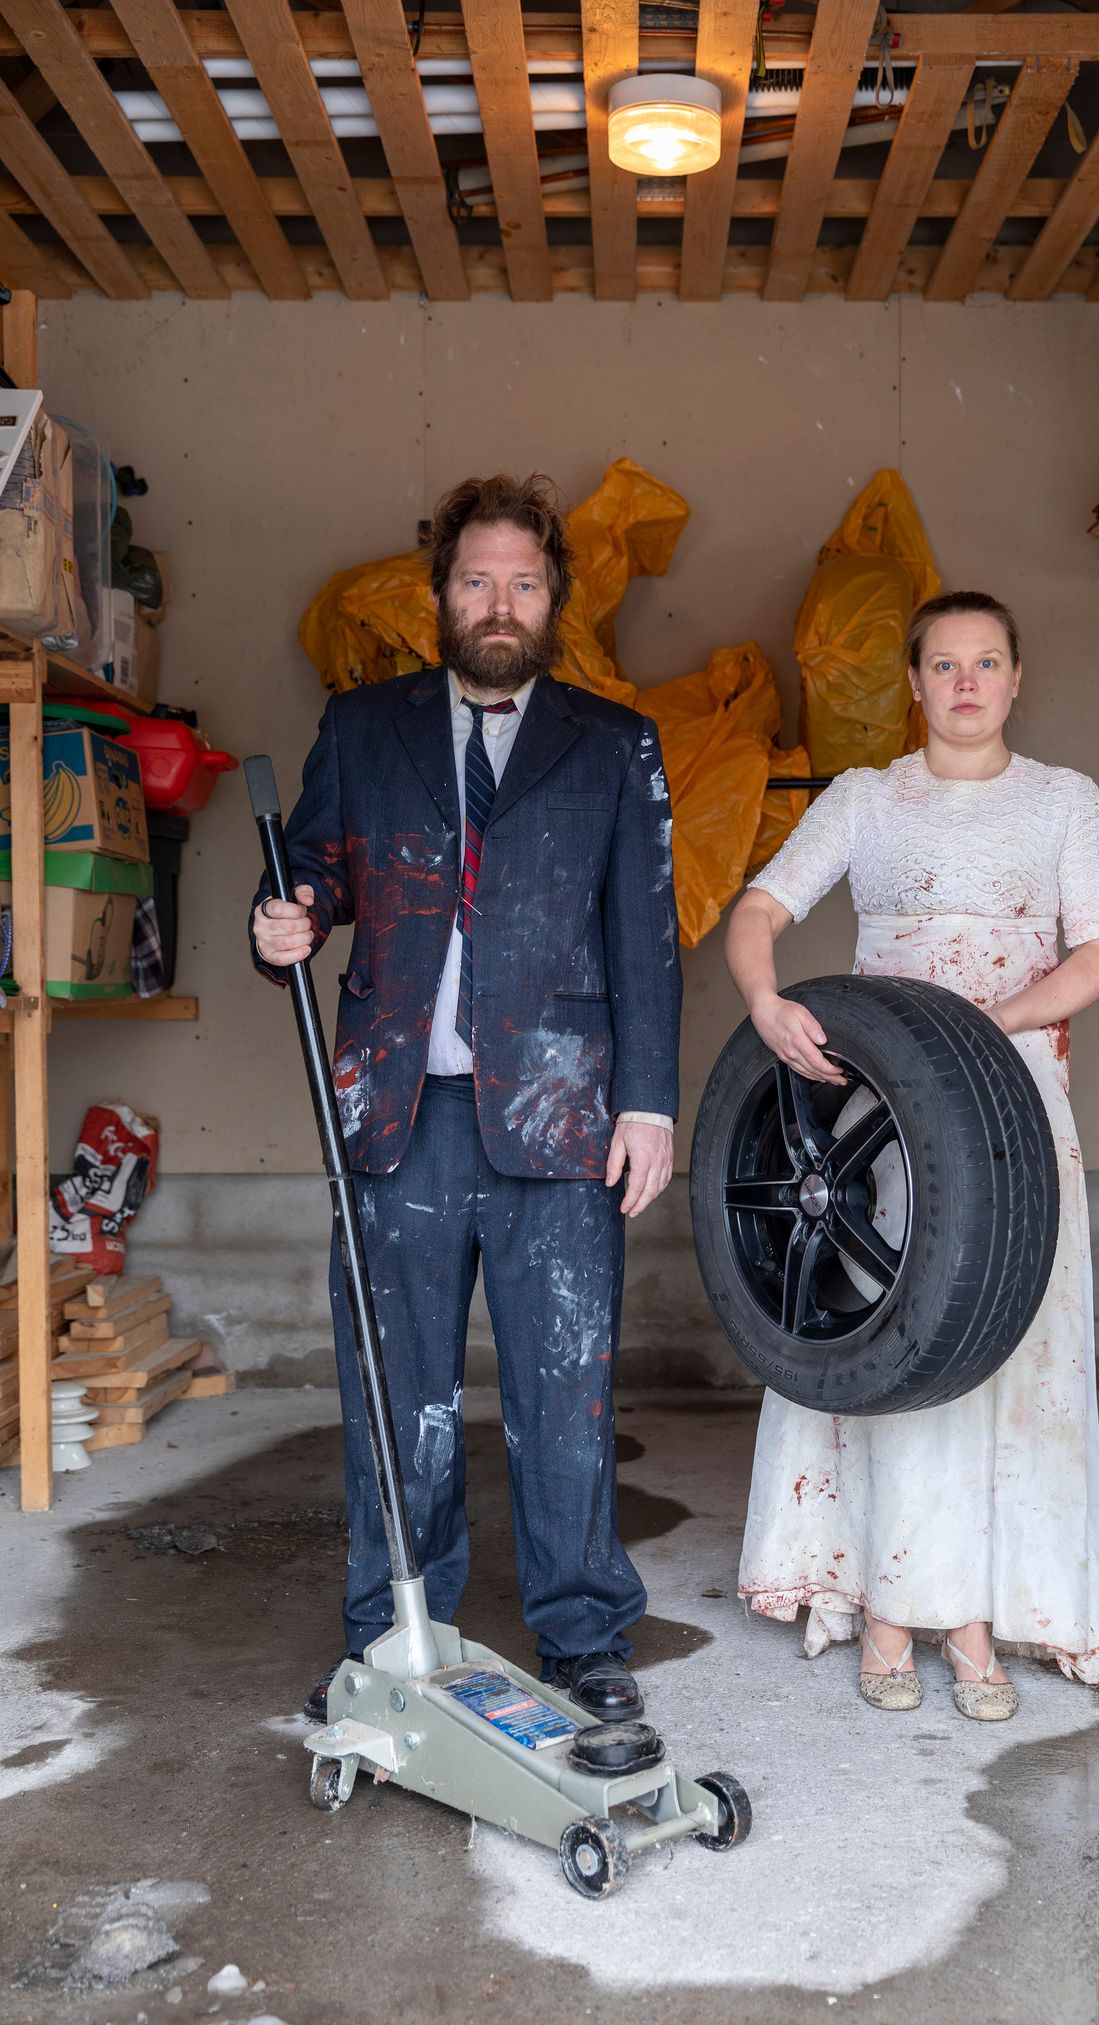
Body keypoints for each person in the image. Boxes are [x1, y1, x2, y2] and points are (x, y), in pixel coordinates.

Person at [249, 473, 681, 1722]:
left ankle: (587, 1639)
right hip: (398, 1120)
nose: (501, 602)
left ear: (556, 599)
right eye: (478, 578)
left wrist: (646, 1104)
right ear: (439, 594)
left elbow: (646, 938)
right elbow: (318, 871)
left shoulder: (612, 743)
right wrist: (288, 918)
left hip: (561, 1118)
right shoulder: (365, 724)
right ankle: (395, 1632)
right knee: (400, 1397)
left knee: (565, 1394)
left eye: (525, 581)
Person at [723, 591, 1099, 1720]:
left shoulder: (1062, 801)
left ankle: (984, 1621)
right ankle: (892, 1611)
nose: (965, 683)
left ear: (1015, 678)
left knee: (1008, 1349)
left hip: (1017, 1102)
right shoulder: (867, 799)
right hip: (886, 1119)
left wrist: (993, 1024)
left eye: (987, 661)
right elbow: (756, 912)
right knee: (895, 1345)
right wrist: (766, 1005)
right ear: (913, 685)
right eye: (943, 664)